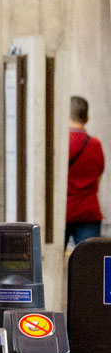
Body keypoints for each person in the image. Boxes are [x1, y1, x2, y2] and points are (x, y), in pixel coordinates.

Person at [68, 97, 103, 249]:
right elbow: (98, 177)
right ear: (87, 119)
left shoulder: (63, 143)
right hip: (89, 212)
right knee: (92, 263)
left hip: (63, 212)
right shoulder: (95, 144)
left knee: (48, 266)